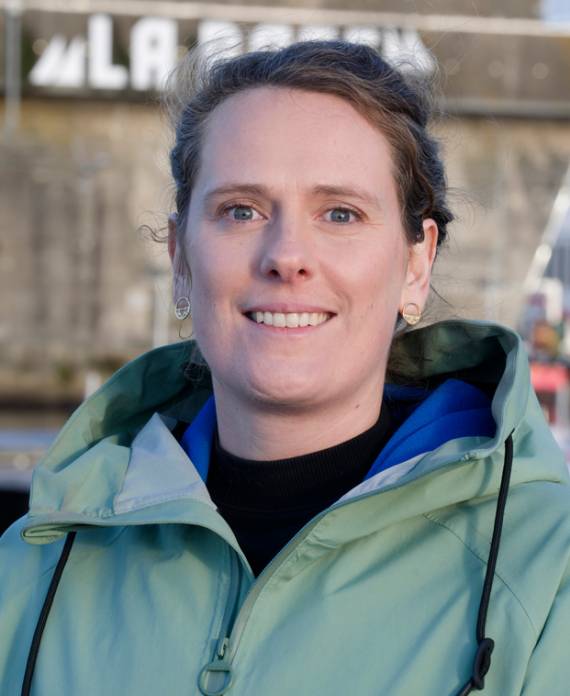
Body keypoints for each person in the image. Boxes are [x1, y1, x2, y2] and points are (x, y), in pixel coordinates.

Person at [1, 40, 569, 696]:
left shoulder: (547, 573)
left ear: (417, 265)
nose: (287, 256)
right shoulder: (33, 568)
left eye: (340, 213)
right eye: (241, 211)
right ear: (181, 260)